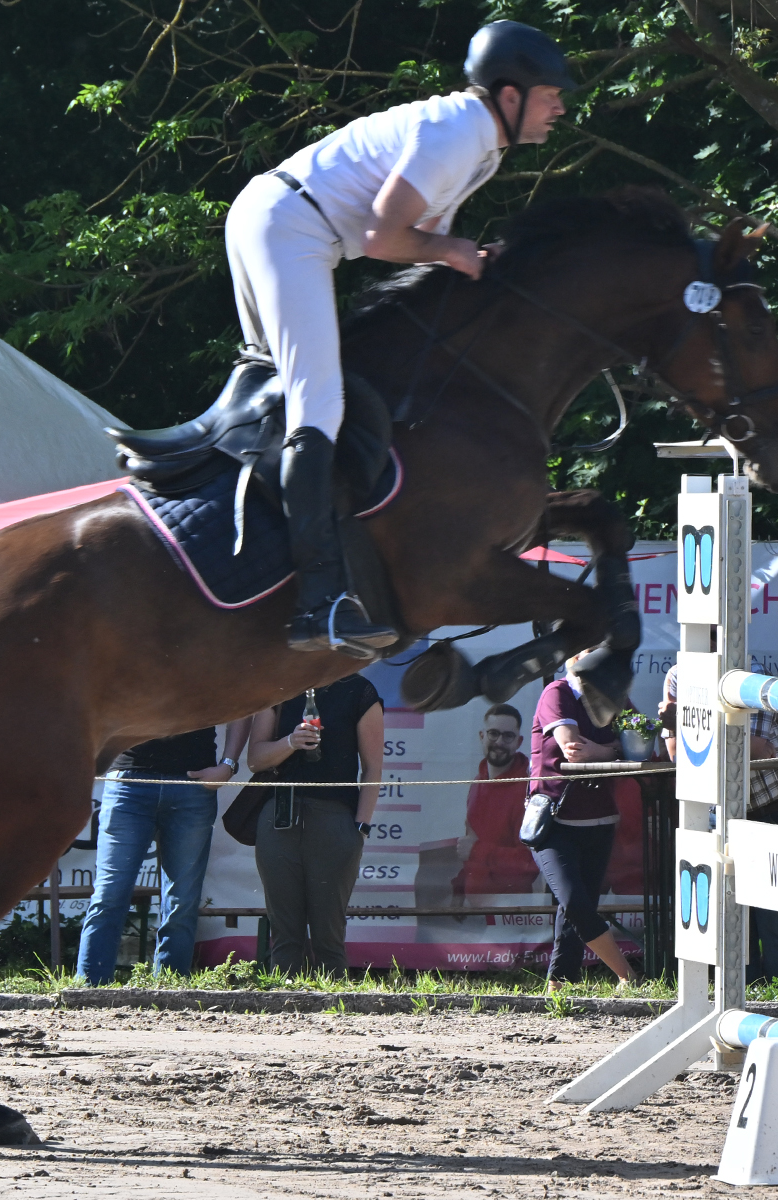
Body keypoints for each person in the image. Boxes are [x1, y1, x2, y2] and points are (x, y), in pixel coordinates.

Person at [225, 21, 573, 656]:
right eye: (550, 95)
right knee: (317, 404)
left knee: (280, 395)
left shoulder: (479, 141)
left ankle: (265, 556)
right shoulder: (459, 134)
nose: (560, 108)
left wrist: (463, 256)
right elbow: (385, 239)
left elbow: (417, 243)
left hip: (278, 218)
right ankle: (320, 602)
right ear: (510, 94)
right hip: (291, 228)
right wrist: (455, 251)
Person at [659, 663, 778, 983]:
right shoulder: (679, 675)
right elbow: (677, 754)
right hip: (722, 810)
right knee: (732, 912)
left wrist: (686, 722)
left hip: (774, 807)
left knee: (777, 916)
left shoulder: (752, 675)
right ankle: (744, 992)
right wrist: (729, 739)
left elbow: (755, 752)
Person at [75, 720, 251, 984]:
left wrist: (228, 765)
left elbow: (241, 708)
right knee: (110, 894)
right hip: (129, 780)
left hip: (193, 783)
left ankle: (170, 990)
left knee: (183, 899)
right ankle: (89, 990)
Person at [247, 674, 384, 974]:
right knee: (284, 935)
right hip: (279, 817)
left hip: (335, 818)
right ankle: (283, 999)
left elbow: (373, 768)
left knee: (328, 936)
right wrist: (290, 742)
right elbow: (255, 759)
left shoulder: (360, 690)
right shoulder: (279, 686)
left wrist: (361, 828)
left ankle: (335, 1000)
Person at [528, 655, 639, 991]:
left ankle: (559, 985)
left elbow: (639, 743)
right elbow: (573, 750)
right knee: (576, 903)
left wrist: (605, 751)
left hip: (600, 819)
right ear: (575, 660)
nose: (600, 661)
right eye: (591, 652)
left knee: (576, 908)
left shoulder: (615, 696)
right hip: (553, 819)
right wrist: (613, 750)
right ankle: (628, 976)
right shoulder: (557, 692)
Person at [453, 703, 540, 900]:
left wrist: (476, 851)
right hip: (475, 908)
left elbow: (530, 863)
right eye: (493, 734)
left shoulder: (529, 791)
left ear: (519, 742)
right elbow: (471, 846)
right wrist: (459, 889)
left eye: (508, 736)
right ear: (482, 736)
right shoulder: (478, 782)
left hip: (510, 910)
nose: (499, 742)